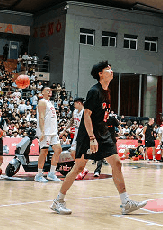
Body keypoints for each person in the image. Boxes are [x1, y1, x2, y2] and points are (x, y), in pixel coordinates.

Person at [51, 61, 147, 215]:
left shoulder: (107, 91)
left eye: (111, 69)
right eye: (108, 70)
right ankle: (58, 201)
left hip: (103, 133)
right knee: (78, 168)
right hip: (88, 135)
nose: (112, 71)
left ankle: (126, 202)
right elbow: (87, 115)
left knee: (117, 163)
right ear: (100, 74)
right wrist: (91, 137)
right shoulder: (94, 91)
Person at [34, 85, 62, 183]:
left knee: (58, 150)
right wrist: (42, 131)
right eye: (47, 90)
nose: (49, 91)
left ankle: (51, 173)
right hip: (45, 132)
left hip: (53, 131)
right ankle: (39, 175)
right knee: (44, 152)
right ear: (42, 93)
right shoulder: (42, 101)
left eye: (50, 90)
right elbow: (41, 117)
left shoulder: (50, 102)